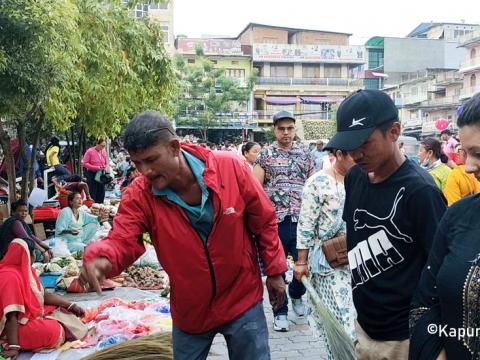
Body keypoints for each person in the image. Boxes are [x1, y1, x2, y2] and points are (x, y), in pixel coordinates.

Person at [79, 112, 287, 360]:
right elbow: (122, 239)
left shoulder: (228, 168)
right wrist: (103, 259)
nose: (145, 171)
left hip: (242, 297)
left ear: (174, 147)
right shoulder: (139, 195)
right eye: (137, 163)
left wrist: (275, 272)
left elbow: (263, 221)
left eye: (151, 159)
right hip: (191, 310)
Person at [323, 89, 447, 359]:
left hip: (405, 338)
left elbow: (441, 268)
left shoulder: (421, 191)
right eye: (349, 146)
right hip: (364, 328)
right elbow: (356, 234)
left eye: (364, 143)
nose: (356, 154)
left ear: (394, 132)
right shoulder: (356, 177)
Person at [409, 92, 480, 360]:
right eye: (464, 152)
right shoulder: (458, 216)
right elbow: (424, 305)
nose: (469, 167)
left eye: (478, 153)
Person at [253, 110, 315, 332]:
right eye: (281, 129)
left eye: (290, 128)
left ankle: (297, 295)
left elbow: (313, 186)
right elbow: (255, 189)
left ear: (294, 129)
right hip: (274, 222)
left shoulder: (306, 155)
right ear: (274, 130)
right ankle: (279, 312)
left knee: (303, 264)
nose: (286, 133)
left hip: (301, 220)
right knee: (274, 269)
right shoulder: (265, 155)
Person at [294, 148, 357, 358]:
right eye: (354, 156)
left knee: (358, 320)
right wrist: (301, 262)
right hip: (328, 263)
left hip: (359, 260)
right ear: (339, 155)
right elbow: (305, 224)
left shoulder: (363, 179)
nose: (359, 160)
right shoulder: (317, 182)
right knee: (341, 319)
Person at [0, 239, 86, 358]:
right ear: (28, 254)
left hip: (22, 318)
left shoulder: (26, 270)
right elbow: (11, 316)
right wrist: (14, 347)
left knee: (59, 309)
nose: (35, 256)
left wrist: (70, 305)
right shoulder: (9, 277)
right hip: (8, 328)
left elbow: (42, 295)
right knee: (54, 332)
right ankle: (8, 341)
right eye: (34, 253)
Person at [82, 139, 109, 204]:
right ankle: (92, 206)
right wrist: (96, 167)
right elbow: (85, 163)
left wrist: (106, 167)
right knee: (93, 191)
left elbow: (107, 162)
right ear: (97, 144)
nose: (103, 147)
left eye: (104, 146)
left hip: (101, 174)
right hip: (92, 174)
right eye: (102, 146)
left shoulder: (103, 151)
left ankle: (100, 206)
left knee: (101, 192)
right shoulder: (90, 151)